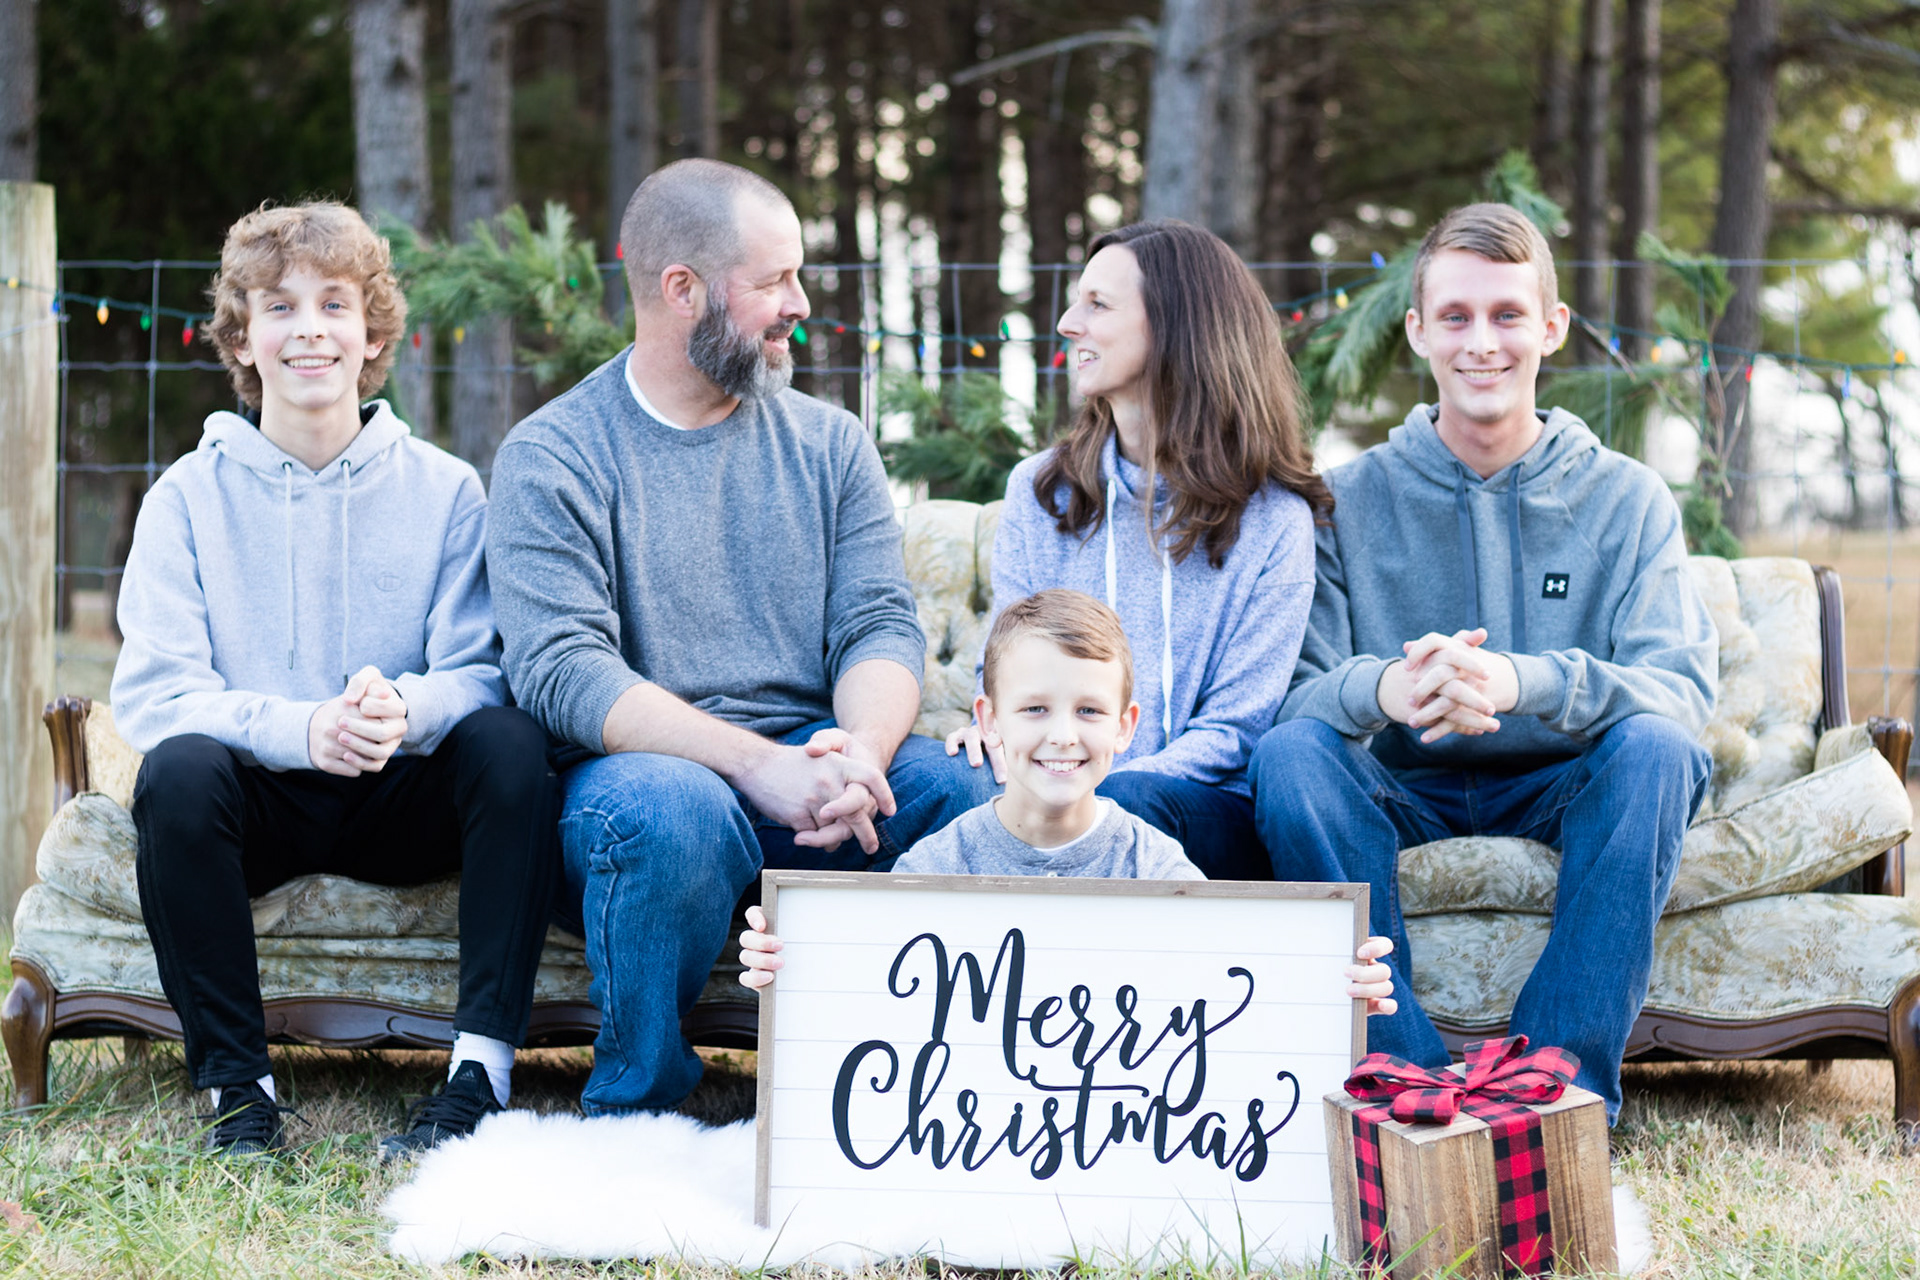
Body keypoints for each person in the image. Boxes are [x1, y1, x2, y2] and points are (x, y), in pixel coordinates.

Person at [486, 159, 994, 1116]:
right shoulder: (555, 454)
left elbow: (878, 623)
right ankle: (640, 1104)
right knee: (669, 810)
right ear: (682, 289)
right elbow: (563, 671)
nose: (799, 304)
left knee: (963, 794)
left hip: (815, 769)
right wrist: (760, 767)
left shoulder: (830, 443)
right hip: (641, 783)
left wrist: (859, 755)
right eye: (774, 281)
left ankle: (931, 1096)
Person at [113, 202, 562, 1158]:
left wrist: (409, 707)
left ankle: (479, 1070)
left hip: (403, 794)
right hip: (261, 803)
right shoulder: (184, 498)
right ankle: (239, 1088)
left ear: (373, 334)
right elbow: (156, 698)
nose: (308, 328)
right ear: (243, 338)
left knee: (511, 744)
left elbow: (482, 673)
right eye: (279, 307)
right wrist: (299, 728)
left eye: (334, 305)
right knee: (176, 771)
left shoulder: (447, 488)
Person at [1251, 202, 1718, 1121]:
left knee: (1660, 749)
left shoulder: (1628, 499)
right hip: (1400, 785)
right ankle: (1402, 1080)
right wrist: (1388, 688)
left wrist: (1522, 681)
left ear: (1552, 327)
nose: (1482, 343)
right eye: (1456, 316)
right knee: (1291, 756)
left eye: (1508, 315)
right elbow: (1292, 699)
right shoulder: (1343, 501)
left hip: (1561, 784)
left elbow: (1681, 692)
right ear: (1417, 330)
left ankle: (1556, 1089)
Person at [739, 588, 1398, 1009]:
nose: (1062, 735)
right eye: (1034, 709)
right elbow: (872, 970)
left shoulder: (1154, 863)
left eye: (1089, 710)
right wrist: (789, 962)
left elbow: (1228, 978)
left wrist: (1333, 985)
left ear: (1125, 727)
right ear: (989, 721)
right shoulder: (943, 860)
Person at [947, 220, 1330, 879]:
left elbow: (1235, 729)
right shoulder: (1040, 491)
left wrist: (1095, 793)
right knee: (949, 781)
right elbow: (1005, 670)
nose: (1068, 324)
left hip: (1199, 806)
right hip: (1055, 785)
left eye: (1097, 304)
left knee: (1130, 801)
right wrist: (1002, 740)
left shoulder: (1274, 519)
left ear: (1180, 326)